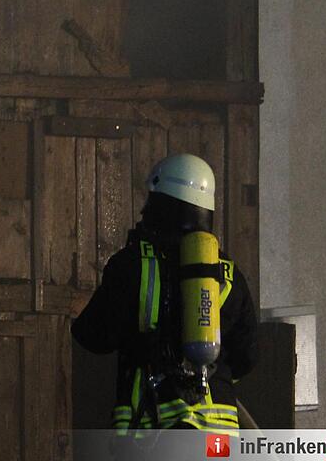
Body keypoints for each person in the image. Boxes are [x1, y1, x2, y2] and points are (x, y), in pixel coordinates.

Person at [72, 154, 258, 433]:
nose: (145, 210)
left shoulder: (133, 263)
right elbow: (247, 358)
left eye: (151, 201)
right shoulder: (230, 275)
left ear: (165, 204)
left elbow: (93, 336)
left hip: (152, 429)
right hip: (218, 437)